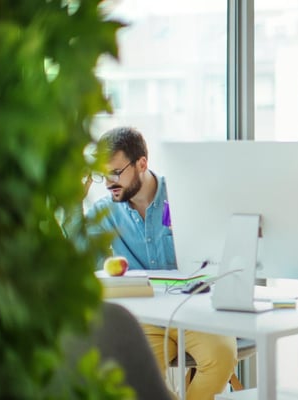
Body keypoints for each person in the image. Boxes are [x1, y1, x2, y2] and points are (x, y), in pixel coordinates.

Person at [86, 127, 237, 400]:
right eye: (102, 175)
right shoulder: (104, 211)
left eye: (116, 172)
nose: (109, 183)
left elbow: (218, 249)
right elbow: (81, 262)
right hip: (145, 318)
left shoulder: (184, 193)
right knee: (136, 377)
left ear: (142, 163)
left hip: (195, 310)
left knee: (222, 356)